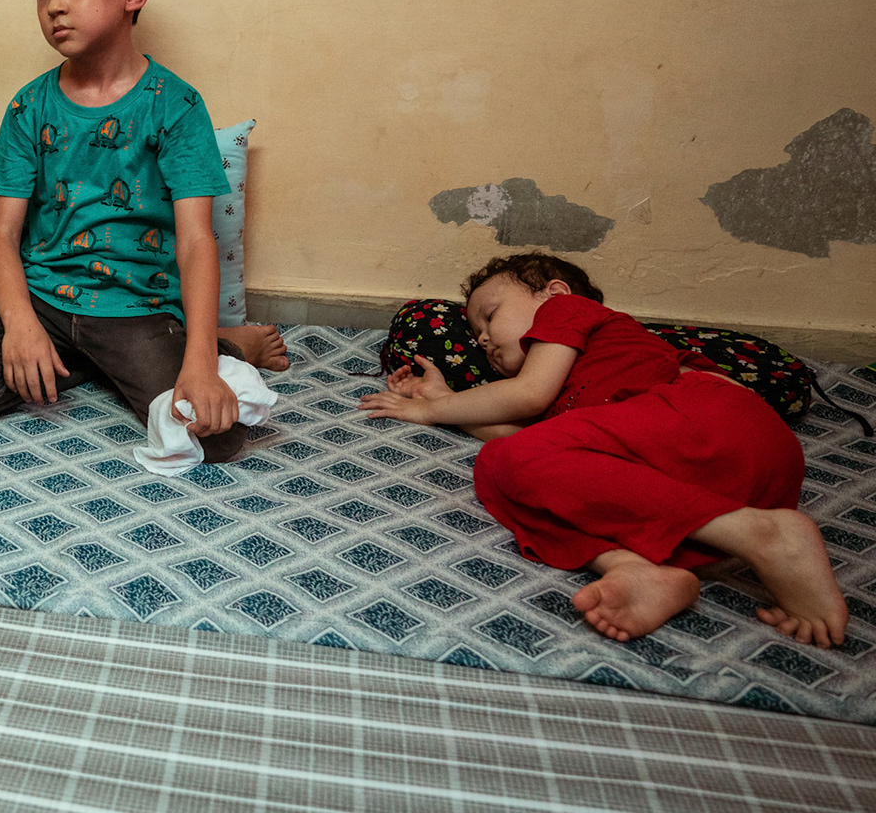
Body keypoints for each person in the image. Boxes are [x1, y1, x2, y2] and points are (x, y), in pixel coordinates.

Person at [0, 0, 288, 462]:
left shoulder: (177, 105)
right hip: (43, 298)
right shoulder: (29, 105)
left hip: (136, 309)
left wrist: (199, 363)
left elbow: (195, 241)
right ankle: (91, 360)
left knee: (215, 435)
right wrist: (20, 326)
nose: (54, 5)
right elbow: (1, 235)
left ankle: (229, 345)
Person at [359, 251, 848, 648]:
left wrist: (432, 412)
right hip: (728, 478)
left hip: (707, 419)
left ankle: (762, 535)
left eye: (490, 316)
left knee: (506, 463)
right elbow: (526, 450)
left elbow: (527, 396)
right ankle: (636, 569)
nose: (483, 338)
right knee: (508, 476)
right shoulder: (565, 406)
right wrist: (445, 400)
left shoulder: (568, 315)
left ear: (554, 292)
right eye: (476, 335)